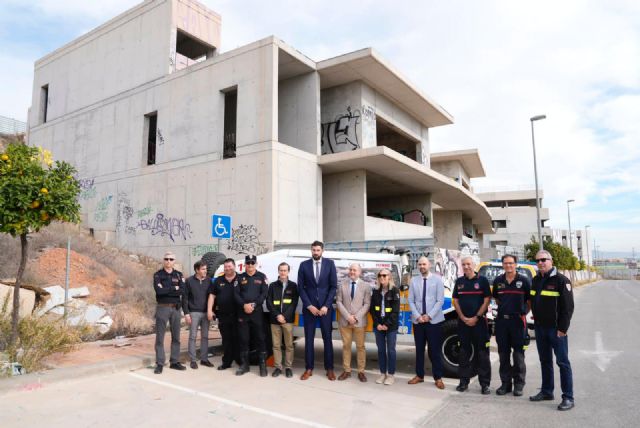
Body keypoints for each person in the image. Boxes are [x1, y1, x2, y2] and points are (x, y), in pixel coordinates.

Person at [529, 250, 575, 411]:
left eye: (544, 260)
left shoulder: (562, 280)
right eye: (538, 261)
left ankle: (568, 397)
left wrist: (563, 329)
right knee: (545, 361)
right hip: (540, 329)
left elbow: (568, 308)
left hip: (556, 330)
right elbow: (534, 302)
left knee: (562, 363)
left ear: (551, 261)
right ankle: (547, 391)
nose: (541, 263)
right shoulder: (535, 280)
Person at [297, 240, 338, 381]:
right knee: (309, 340)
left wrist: (326, 305)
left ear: (322, 251)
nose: (316, 252)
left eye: (318, 250)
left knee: (328, 339)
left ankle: (330, 369)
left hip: (325, 310)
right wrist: (309, 306)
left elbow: (333, 287)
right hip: (310, 310)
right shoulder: (304, 265)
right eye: (313, 250)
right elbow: (300, 288)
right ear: (311, 251)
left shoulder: (330, 264)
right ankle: (309, 368)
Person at [492, 254, 531, 396]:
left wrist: (523, 313)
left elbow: (529, 301)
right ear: (502, 265)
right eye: (506, 263)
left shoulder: (524, 281)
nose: (508, 265)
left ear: (515, 264)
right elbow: (496, 299)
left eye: (511, 263)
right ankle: (505, 384)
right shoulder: (498, 281)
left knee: (518, 355)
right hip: (502, 322)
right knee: (503, 355)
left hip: (518, 322)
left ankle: (519, 385)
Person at [452, 256, 491, 394]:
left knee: (482, 354)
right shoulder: (459, 282)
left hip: (479, 323)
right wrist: (462, 317)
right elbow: (455, 300)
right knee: (463, 353)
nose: (466, 266)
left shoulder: (482, 280)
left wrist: (477, 317)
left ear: (474, 265)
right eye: (463, 264)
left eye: (468, 264)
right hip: (463, 324)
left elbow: (487, 300)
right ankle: (463, 382)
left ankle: (485, 384)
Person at [407, 256, 446, 390]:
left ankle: (438, 378)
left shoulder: (437, 280)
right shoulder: (414, 281)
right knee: (419, 350)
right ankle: (419, 375)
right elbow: (411, 300)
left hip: (433, 321)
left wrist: (429, 316)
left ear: (429, 265)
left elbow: (440, 301)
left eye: (424, 264)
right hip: (418, 322)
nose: (422, 266)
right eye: (420, 264)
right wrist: (418, 316)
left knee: (434, 350)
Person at [336, 263, 371, 382]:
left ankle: (361, 371)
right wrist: (347, 316)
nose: (352, 272)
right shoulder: (342, 284)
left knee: (360, 347)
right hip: (345, 322)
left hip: (359, 322)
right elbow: (339, 302)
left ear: (359, 272)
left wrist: (356, 317)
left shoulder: (366, 286)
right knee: (346, 346)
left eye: (354, 270)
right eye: (350, 269)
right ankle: (347, 370)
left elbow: (367, 304)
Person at [234, 255, 268, 377]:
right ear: (245, 264)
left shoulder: (262, 277)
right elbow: (236, 294)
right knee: (243, 339)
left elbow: (264, 293)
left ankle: (262, 365)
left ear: (256, 264)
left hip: (256, 313)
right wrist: (244, 305)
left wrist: (253, 305)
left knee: (260, 338)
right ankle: (244, 365)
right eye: (248, 263)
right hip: (243, 312)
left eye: (252, 263)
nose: (250, 265)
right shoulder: (239, 277)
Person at [152, 251, 186, 374]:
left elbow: (182, 291)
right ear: (163, 260)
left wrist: (167, 289)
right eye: (166, 259)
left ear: (174, 261)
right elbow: (159, 292)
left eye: (171, 259)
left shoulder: (179, 274)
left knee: (176, 337)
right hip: (163, 307)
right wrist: (173, 288)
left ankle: (174, 362)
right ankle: (160, 363)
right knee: (160, 337)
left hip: (176, 308)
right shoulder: (158, 275)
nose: (168, 261)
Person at [266, 262, 299, 378]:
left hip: (288, 320)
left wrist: (284, 316)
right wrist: (277, 315)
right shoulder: (272, 286)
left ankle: (288, 367)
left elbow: (294, 303)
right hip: (275, 320)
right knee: (276, 345)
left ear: (288, 272)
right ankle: (278, 367)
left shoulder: (293, 286)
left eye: (285, 270)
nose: (283, 272)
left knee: (289, 345)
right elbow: (269, 303)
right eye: (281, 270)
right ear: (278, 271)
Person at [208, 258, 241, 370]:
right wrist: (209, 310)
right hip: (223, 315)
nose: (227, 269)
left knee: (238, 339)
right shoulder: (218, 280)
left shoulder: (241, 278)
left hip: (238, 315)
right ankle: (227, 362)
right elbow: (212, 296)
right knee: (226, 340)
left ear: (234, 266)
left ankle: (239, 360)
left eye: (229, 266)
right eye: (226, 267)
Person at [370, 268, 400, 385]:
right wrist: (378, 324)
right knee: (381, 350)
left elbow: (395, 311)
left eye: (384, 275)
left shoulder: (395, 291)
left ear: (389, 277)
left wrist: (386, 325)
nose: (382, 277)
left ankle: (391, 375)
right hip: (378, 326)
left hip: (390, 327)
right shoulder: (376, 291)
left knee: (391, 350)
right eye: (380, 276)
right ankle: (383, 374)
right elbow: (372, 310)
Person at [183, 260, 214, 369]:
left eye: (206, 269)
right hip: (193, 313)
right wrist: (186, 313)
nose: (205, 271)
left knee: (205, 337)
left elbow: (212, 296)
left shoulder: (209, 281)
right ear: (197, 270)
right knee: (192, 336)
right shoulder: (189, 281)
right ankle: (193, 360)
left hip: (206, 313)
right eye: (203, 269)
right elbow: (185, 298)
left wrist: (211, 310)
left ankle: (204, 359)